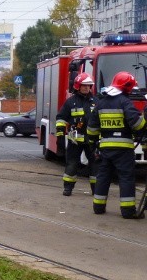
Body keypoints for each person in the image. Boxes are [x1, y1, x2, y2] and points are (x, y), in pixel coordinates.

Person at [86, 71, 145, 219]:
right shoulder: (125, 102)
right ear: (127, 87)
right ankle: (128, 211)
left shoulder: (101, 102)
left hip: (105, 147)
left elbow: (92, 128)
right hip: (123, 149)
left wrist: (94, 144)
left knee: (103, 176)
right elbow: (137, 125)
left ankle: (98, 207)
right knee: (125, 178)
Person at [55, 73, 97, 196]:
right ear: (78, 86)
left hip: (91, 140)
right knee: (72, 164)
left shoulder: (96, 101)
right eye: (84, 85)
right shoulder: (70, 102)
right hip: (75, 140)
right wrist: (60, 137)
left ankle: (96, 190)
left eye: (88, 86)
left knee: (95, 165)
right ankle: (68, 188)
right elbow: (61, 119)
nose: (86, 88)